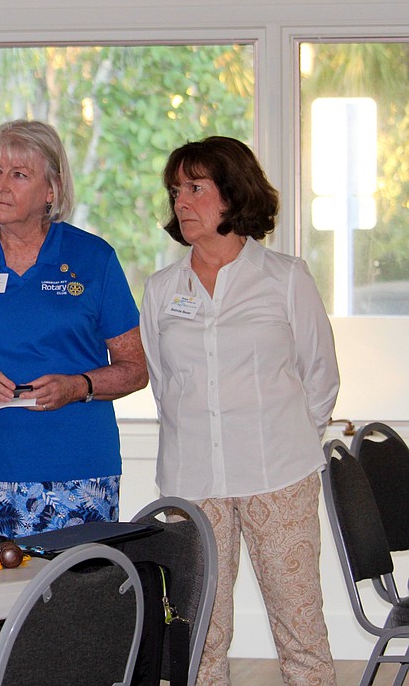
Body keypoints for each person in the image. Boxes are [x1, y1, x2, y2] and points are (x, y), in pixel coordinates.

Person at [141, 136, 339, 685]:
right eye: (176, 190)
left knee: (301, 634)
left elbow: (320, 378)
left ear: (233, 194)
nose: (181, 201)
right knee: (198, 635)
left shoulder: (286, 277)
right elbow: (166, 384)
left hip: (279, 478)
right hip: (192, 483)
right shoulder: (161, 291)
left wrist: (277, 436)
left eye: (196, 188)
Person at [0, 119, 148, 541]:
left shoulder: (94, 259)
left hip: (77, 475)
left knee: (74, 604)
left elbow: (135, 368)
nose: (0, 185)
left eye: (19, 175)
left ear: (51, 191)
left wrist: (77, 386)